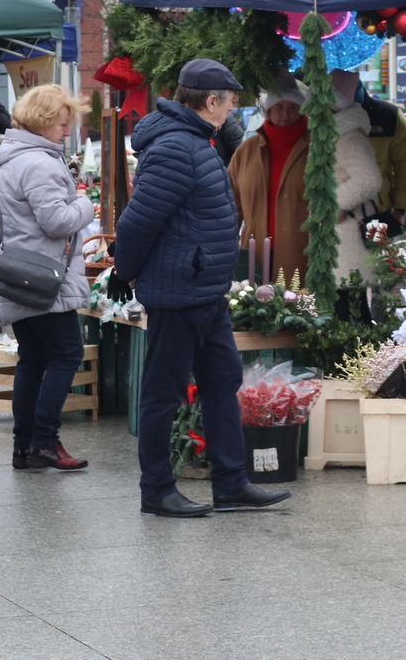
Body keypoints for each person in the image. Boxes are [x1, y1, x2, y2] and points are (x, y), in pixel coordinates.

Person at [112, 58, 290, 518]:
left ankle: (230, 483)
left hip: (204, 289)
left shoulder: (195, 141)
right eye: (230, 104)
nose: (232, 112)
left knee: (221, 381)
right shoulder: (176, 147)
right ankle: (156, 489)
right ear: (210, 102)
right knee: (163, 393)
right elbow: (138, 221)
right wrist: (122, 272)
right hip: (178, 291)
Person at [0, 84, 95, 472]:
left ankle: (25, 445)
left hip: (19, 274)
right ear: (45, 122)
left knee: (33, 358)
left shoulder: (12, 159)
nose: (67, 132)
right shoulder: (40, 163)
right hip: (45, 277)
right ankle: (45, 441)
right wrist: (84, 202)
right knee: (66, 354)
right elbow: (57, 221)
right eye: (63, 124)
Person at [228, 78, 310, 284]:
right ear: (268, 110)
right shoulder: (247, 150)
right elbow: (231, 205)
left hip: (301, 254)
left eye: (293, 107)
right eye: (279, 107)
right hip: (253, 256)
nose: (285, 114)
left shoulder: (317, 149)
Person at [331, 70, 406, 234]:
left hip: (376, 212)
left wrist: (400, 209)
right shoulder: (320, 117)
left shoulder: (388, 116)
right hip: (332, 212)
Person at [331, 81, 383, 283]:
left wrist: (331, 207)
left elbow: (368, 179)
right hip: (343, 230)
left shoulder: (348, 136)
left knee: (348, 298)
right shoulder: (339, 133)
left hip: (349, 231)